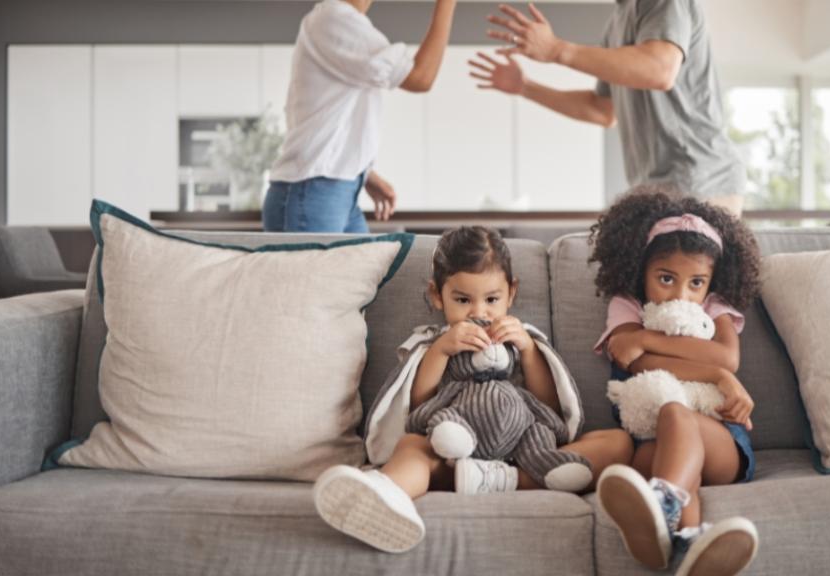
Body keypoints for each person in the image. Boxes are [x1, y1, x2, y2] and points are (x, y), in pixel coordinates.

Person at [313, 226, 634, 553]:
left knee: (617, 442)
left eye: (492, 299)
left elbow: (550, 409)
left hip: (525, 456)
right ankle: (387, 495)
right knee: (411, 446)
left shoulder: (523, 339)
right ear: (438, 295)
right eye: (463, 300)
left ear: (512, 293)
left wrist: (528, 349)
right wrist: (440, 351)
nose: (479, 312)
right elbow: (419, 408)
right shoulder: (432, 342)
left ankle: (501, 479)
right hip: (451, 458)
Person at [588, 187, 762, 575]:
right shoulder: (627, 304)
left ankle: (663, 502)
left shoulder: (715, 305)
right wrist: (646, 345)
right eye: (666, 278)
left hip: (720, 441)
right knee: (670, 466)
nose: (680, 295)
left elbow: (726, 357)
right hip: (650, 444)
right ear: (642, 269)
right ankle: (685, 543)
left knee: (677, 415)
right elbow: (637, 364)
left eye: (696, 282)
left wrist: (647, 338)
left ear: (710, 281)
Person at [469, 1, 746, 215]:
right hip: (653, 189)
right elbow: (602, 110)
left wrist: (557, 50)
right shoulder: (617, 22)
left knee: (691, 287)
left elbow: (659, 69)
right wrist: (525, 87)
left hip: (699, 178)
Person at [263, 0, 457, 233]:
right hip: (313, 193)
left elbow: (328, 115)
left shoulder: (339, 22)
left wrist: (363, 172)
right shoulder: (334, 19)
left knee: (365, 270)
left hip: (331, 190)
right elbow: (420, 77)